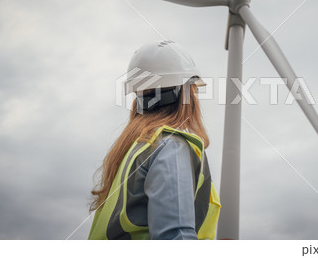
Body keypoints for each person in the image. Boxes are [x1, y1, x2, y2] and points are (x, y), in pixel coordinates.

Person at [88, 40, 220, 240]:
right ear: (184, 94)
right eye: (193, 88)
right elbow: (175, 237)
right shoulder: (170, 147)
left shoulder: (132, 152)